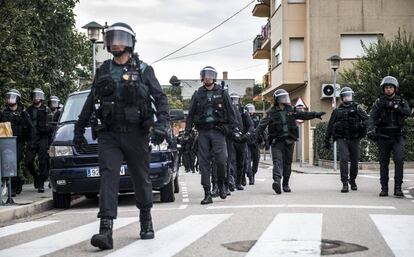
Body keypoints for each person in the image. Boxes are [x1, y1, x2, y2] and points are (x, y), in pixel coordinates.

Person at [73, 22, 169, 250]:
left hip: (136, 134)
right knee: (108, 178)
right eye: (112, 38)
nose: (115, 42)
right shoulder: (103, 70)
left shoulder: (144, 70)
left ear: (129, 43)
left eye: (120, 38)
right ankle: (105, 231)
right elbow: (90, 101)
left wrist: (162, 126)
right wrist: (79, 129)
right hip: (110, 134)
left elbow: (161, 99)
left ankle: (146, 220)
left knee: (141, 179)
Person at [185, 66, 237, 204]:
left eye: (210, 75)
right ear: (202, 77)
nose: (207, 77)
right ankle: (207, 193)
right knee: (203, 163)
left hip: (218, 131)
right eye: (205, 75)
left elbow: (231, 112)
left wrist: (233, 129)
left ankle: (221, 185)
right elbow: (190, 115)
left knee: (221, 160)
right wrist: (187, 132)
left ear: (214, 77)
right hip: (203, 132)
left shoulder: (222, 93)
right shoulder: (198, 94)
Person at [256, 89, 325, 194]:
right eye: (282, 97)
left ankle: (286, 184)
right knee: (277, 162)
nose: (285, 99)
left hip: (289, 141)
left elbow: (303, 115)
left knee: (287, 163)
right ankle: (277, 181)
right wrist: (254, 136)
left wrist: (315, 114)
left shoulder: (291, 109)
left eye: (285, 97)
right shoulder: (270, 112)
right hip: (276, 142)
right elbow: (261, 125)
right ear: (277, 99)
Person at [367, 76, 411, 197]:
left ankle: (398, 188)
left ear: (395, 89)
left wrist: (395, 106)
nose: (388, 89)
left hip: (397, 136)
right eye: (386, 87)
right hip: (383, 135)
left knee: (399, 160)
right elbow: (372, 117)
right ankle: (384, 188)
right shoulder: (379, 102)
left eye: (391, 87)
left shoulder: (401, 101)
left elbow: (407, 112)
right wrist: (370, 129)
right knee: (383, 162)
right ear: (383, 89)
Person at [324, 87, 369, 192]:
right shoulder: (337, 111)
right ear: (342, 98)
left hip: (354, 138)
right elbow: (330, 126)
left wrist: (365, 130)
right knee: (344, 159)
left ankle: (352, 180)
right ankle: (345, 183)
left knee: (354, 161)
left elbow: (367, 120)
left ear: (352, 96)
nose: (347, 97)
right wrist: (327, 140)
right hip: (341, 138)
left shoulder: (358, 108)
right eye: (345, 96)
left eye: (349, 95)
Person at [0, 89, 33, 195]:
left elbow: (31, 127)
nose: (10, 99)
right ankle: (15, 184)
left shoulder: (23, 112)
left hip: (19, 142)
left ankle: (15, 185)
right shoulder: (4, 112)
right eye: (9, 97)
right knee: (8, 163)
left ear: (18, 99)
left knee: (15, 162)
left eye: (13, 97)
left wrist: (31, 142)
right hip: (7, 142)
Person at [25, 88, 53, 193]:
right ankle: (36, 177)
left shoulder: (47, 110)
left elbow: (51, 126)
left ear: (41, 98)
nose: (36, 98)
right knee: (28, 162)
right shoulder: (28, 110)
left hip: (43, 138)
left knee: (43, 162)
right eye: (34, 96)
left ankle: (41, 183)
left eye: (38, 96)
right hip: (32, 139)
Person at [244, 103, 260, 185]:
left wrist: (265, 140)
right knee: (248, 159)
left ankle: (253, 173)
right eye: (249, 110)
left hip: (255, 142)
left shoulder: (256, 118)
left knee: (256, 159)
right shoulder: (244, 117)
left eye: (252, 110)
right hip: (247, 141)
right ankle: (250, 176)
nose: (251, 112)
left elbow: (261, 129)